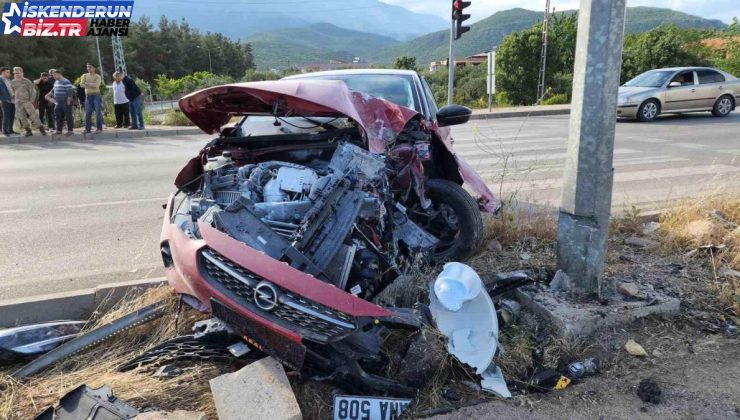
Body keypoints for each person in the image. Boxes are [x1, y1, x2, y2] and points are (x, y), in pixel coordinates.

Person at [11, 67, 47, 136]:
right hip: (18, 103)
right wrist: (14, 99)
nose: (16, 74)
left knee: (34, 116)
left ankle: (41, 129)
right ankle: (28, 131)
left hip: (27, 101)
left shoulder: (27, 81)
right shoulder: (13, 82)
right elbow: (12, 91)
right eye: (15, 73)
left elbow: (33, 91)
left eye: (18, 73)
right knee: (22, 117)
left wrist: (31, 100)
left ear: (22, 73)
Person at [45, 69, 75, 136]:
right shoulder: (56, 82)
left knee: (68, 116)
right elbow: (53, 89)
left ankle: (70, 131)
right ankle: (59, 130)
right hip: (57, 102)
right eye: (53, 75)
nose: (54, 77)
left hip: (65, 102)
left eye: (54, 75)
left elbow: (70, 92)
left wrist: (68, 100)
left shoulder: (66, 81)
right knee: (58, 116)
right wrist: (48, 94)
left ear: (59, 74)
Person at [0, 67, 19, 137]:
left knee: (12, 116)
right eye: (7, 72)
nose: (9, 73)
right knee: (6, 116)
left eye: (9, 72)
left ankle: (10, 130)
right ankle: (5, 131)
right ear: (3, 72)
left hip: (12, 101)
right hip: (5, 100)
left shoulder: (8, 80)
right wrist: (1, 99)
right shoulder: (0, 80)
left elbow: (11, 89)